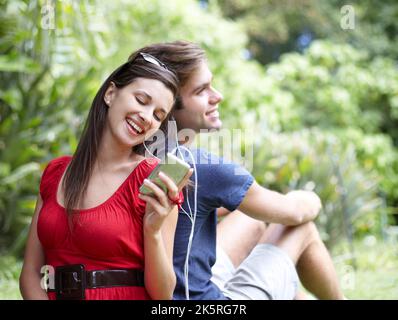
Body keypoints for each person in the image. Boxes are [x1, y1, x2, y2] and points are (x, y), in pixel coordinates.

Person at [137, 41, 344, 300]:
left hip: (175, 289)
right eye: (202, 91)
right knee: (300, 228)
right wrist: (310, 198)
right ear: (168, 105)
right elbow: (294, 213)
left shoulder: (137, 155)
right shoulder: (202, 168)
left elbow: (191, 208)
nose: (217, 96)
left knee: (251, 220)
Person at [19, 49, 192, 300]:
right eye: (142, 100)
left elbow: (163, 295)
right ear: (111, 94)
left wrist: (152, 231)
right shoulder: (56, 172)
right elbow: (31, 274)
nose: (146, 117)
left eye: (158, 115)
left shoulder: (152, 181)